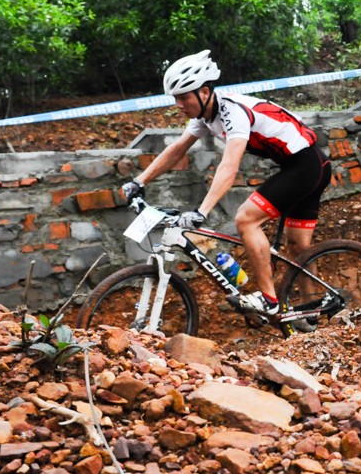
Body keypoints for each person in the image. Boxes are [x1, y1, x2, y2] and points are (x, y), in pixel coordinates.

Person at [121, 49, 331, 318]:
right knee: (298, 248)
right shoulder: (204, 117)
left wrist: (202, 211)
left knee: (245, 219)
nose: (179, 104)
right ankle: (312, 310)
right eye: (176, 98)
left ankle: (269, 300)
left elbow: (230, 164)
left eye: (184, 97)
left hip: (307, 166)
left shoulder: (233, 111)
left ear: (205, 92)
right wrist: (139, 181)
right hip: (299, 166)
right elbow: (177, 149)